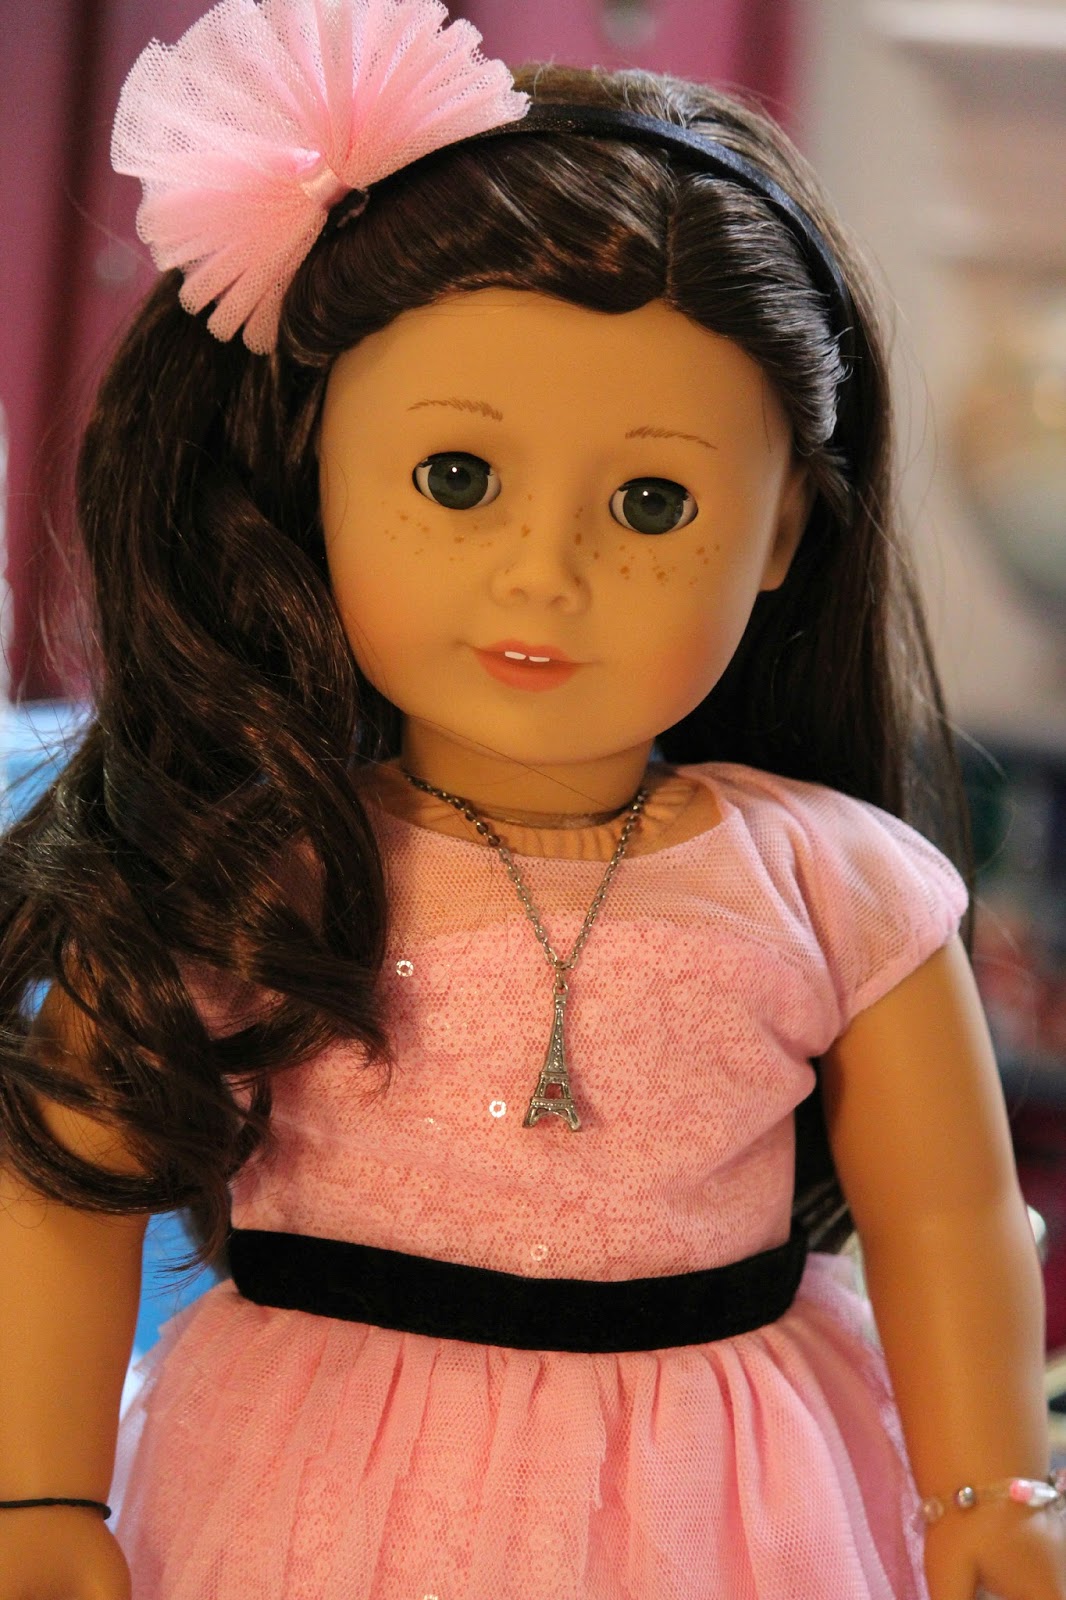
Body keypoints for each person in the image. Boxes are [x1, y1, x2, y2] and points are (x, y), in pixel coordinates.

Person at [0, 2, 1061, 1596]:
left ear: (783, 532)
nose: (543, 573)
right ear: (313, 473)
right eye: (457, 478)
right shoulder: (257, 865)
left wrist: (989, 1490)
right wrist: (37, 1496)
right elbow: (71, 1180)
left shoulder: (833, 883)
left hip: (721, 1498)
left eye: (652, 501)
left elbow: (946, 1216)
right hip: (312, 1485)